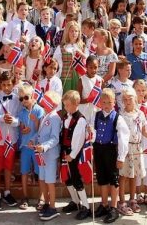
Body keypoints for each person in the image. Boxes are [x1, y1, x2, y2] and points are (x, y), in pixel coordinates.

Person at [118, 88, 147, 216]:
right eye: (124, 99)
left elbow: (144, 131)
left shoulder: (140, 114)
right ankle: (122, 201)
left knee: (134, 174)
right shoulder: (121, 115)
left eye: (129, 98)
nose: (127, 101)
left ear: (135, 99)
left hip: (137, 147)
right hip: (125, 148)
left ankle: (132, 199)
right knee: (124, 175)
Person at [93, 88, 130, 223]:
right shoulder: (96, 115)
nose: (107, 105)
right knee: (102, 178)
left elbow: (123, 138)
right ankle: (104, 204)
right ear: (100, 103)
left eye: (109, 102)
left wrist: (121, 157)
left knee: (113, 179)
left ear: (114, 102)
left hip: (110, 150)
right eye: (104, 102)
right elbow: (92, 130)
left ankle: (113, 208)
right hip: (98, 149)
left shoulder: (118, 118)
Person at [59, 90, 91, 221]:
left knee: (76, 179)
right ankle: (75, 201)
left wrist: (72, 155)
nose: (65, 107)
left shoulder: (80, 120)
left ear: (75, 104)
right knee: (66, 177)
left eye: (67, 105)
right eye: (64, 105)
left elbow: (78, 140)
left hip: (74, 154)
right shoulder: (66, 117)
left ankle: (86, 206)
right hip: (65, 152)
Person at [31, 89, 63, 221]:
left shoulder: (55, 118)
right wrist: (33, 140)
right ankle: (47, 202)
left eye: (46, 103)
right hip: (41, 154)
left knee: (50, 181)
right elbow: (40, 133)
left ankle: (53, 207)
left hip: (49, 154)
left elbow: (55, 138)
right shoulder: (46, 115)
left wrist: (44, 147)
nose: (43, 105)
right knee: (42, 179)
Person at [0, 70, 20, 210]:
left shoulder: (17, 99)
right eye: (4, 85)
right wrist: (2, 118)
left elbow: (21, 118)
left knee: (9, 166)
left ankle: (7, 192)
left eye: (9, 84)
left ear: (13, 84)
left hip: (11, 138)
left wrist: (13, 121)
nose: (6, 87)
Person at [17, 82, 45, 209]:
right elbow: (22, 128)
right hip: (25, 147)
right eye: (21, 98)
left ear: (33, 96)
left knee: (40, 173)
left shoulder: (39, 110)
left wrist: (36, 121)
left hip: (36, 147)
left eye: (26, 97)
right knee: (24, 172)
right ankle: (24, 196)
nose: (24, 101)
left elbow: (41, 130)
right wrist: (24, 130)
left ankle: (42, 197)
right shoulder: (21, 112)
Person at [133, 79, 147, 206]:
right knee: (138, 166)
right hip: (137, 139)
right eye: (138, 90)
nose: (141, 93)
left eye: (143, 90)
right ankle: (137, 194)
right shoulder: (132, 105)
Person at [53, 20, 86, 93]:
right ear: (67, 32)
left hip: (79, 76)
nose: (74, 33)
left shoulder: (83, 47)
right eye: (71, 31)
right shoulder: (61, 47)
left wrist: (82, 54)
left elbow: (88, 61)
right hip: (65, 77)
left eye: (76, 31)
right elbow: (55, 63)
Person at [77, 56, 103, 124]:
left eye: (95, 67)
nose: (93, 70)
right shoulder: (81, 80)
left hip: (96, 110)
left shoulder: (100, 80)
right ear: (86, 67)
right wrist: (89, 100)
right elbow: (77, 100)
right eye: (91, 67)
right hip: (84, 111)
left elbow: (103, 97)